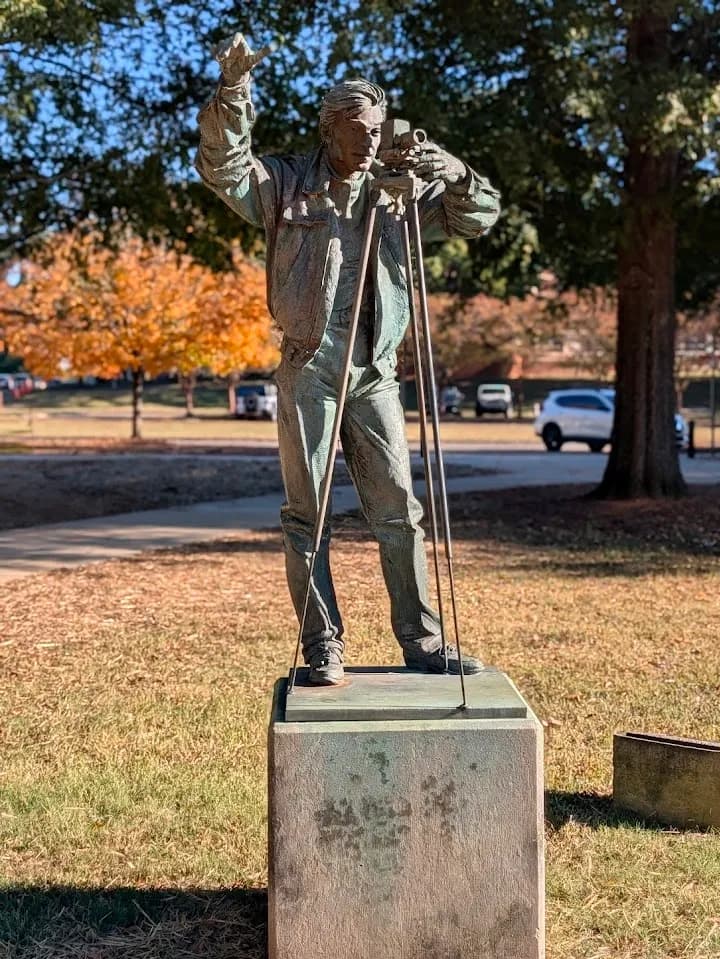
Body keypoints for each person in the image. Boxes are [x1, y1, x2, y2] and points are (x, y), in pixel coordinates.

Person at [197, 33, 501, 685]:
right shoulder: (283, 185)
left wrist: (453, 172)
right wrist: (233, 90)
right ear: (329, 129)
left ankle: (422, 641)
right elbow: (225, 167)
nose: (369, 141)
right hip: (310, 368)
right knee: (307, 515)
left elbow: (479, 217)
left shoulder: (400, 193)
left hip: (374, 374)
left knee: (400, 511)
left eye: (377, 129)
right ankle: (322, 644)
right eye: (357, 129)